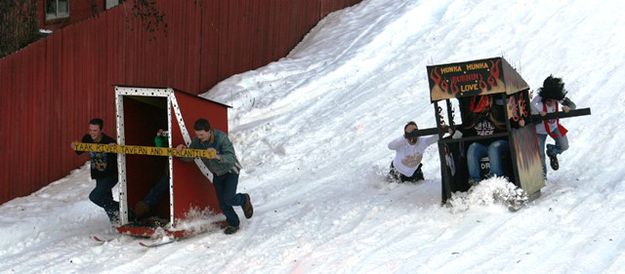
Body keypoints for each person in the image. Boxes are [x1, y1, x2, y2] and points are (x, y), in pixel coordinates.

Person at [176, 118, 253, 235]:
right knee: (222, 203)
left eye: (201, 134)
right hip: (217, 173)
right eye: (197, 135)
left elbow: (231, 158)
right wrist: (180, 152)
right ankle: (234, 223)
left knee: (228, 197)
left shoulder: (221, 138)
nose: (199, 137)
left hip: (231, 170)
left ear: (209, 131)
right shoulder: (197, 142)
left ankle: (243, 199)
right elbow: (189, 157)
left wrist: (216, 156)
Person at [71, 118, 120, 225]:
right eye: (90, 130)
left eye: (95, 130)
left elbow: (120, 156)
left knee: (95, 197)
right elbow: (79, 150)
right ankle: (116, 224)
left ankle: (125, 209)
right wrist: (75, 146)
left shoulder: (109, 141)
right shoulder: (87, 138)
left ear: (101, 130)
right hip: (98, 175)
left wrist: (115, 148)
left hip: (111, 175)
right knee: (106, 199)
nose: (92, 133)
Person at [531, 75, 576, 175]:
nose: (551, 103)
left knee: (564, 145)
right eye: (549, 100)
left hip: (554, 127)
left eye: (554, 101)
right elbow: (531, 120)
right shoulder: (536, 103)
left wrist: (568, 108)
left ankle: (552, 152)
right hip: (539, 131)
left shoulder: (558, 97)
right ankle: (543, 177)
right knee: (540, 154)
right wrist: (539, 117)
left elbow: (573, 105)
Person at [461, 95, 509, 185]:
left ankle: (497, 178)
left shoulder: (498, 112)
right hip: (482, 146)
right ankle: (475, 180)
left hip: (500, 143)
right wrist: (455, 132)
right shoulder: (473, 117)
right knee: (473, 148)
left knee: (493, 147)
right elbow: (464, 128)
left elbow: (509, 124)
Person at [388, 121, 453, 183]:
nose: (412, 136)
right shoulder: (401, 142)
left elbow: (433, 139)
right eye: (410, 133)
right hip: (397, 171)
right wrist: (404, 137)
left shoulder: (422, 141)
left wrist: (443, 131)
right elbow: (390, 146)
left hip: (414, 172)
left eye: (415, 131)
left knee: (422, 188)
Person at [134, 129, 170, 220]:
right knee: (157, 191)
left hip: (181, 171)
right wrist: (159, 137)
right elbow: (160, 147)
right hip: (169, 171)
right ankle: (139, 212)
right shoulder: (167, 135)